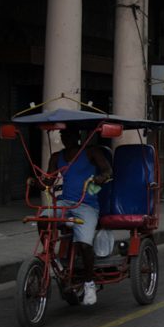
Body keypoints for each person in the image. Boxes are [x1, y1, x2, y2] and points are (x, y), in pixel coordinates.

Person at [50, 128, 113, 306]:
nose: (66, 139)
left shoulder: (91, 152)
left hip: (87, 205)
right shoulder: (57, 157)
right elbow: (49, 179)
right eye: (63, 136)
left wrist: (102, 177)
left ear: (78, 136)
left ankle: (89, 283)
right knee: (43, 217)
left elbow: (108, 170)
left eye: (69, 135)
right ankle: (51, 258)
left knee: (85, 245)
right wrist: (39, 180)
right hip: (65, 203)